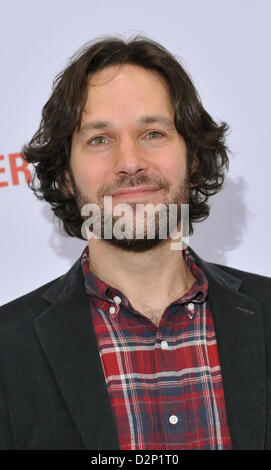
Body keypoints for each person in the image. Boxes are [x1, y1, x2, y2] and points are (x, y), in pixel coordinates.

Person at [0, 35, 270, 451]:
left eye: (154, 133)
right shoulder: (8, 348)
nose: (129, 163)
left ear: (193, 159)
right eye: (100, 139)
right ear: (67, 177)